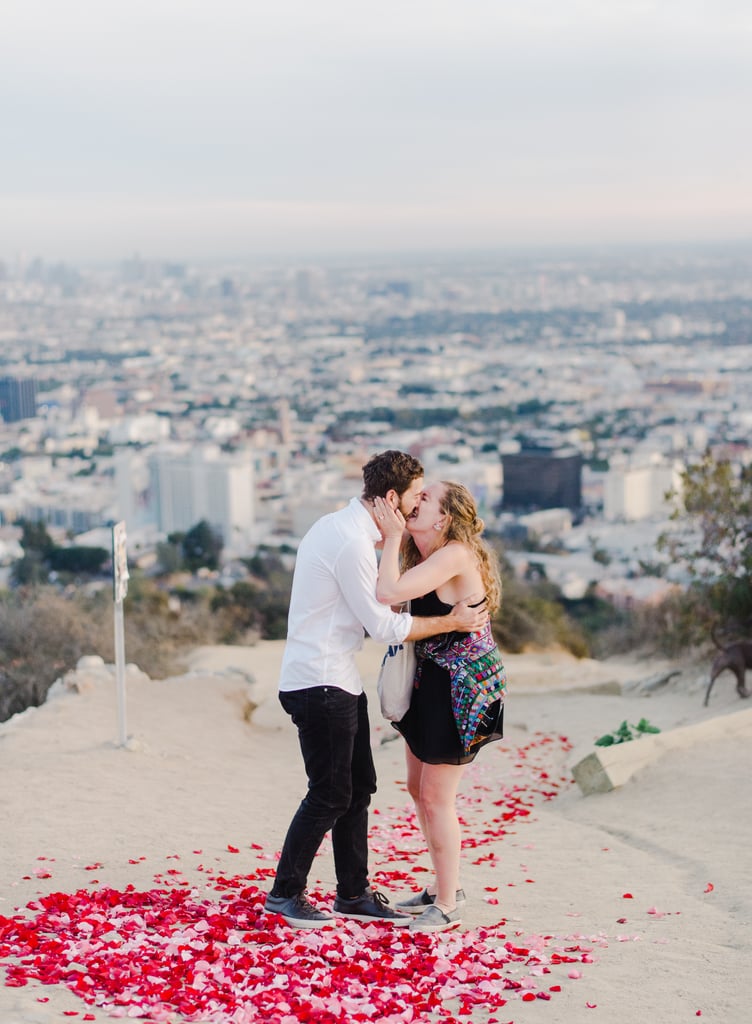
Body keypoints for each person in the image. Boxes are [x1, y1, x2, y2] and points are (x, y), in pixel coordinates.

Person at [264, 452, 488, 930]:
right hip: (320, 681)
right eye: (414, 497)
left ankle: (352, 893)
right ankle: (285, 893)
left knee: (359, 787)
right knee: (329, 793)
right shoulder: (348, 541)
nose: (414, 508)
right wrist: (451, 621)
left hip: (338, 678)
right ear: (391, 498)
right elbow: (384, 624)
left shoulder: (344, 530)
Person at [374, 480, 506, 933]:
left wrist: (392, 537)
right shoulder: (426, 556)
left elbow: (387, 593)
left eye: (425, 499)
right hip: (431, 681)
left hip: (463, 688)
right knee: (416, 787)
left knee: (435, 796)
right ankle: (441, 885)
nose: (416, 502)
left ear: (444, 519)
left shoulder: (453, 555)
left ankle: (449, 902)